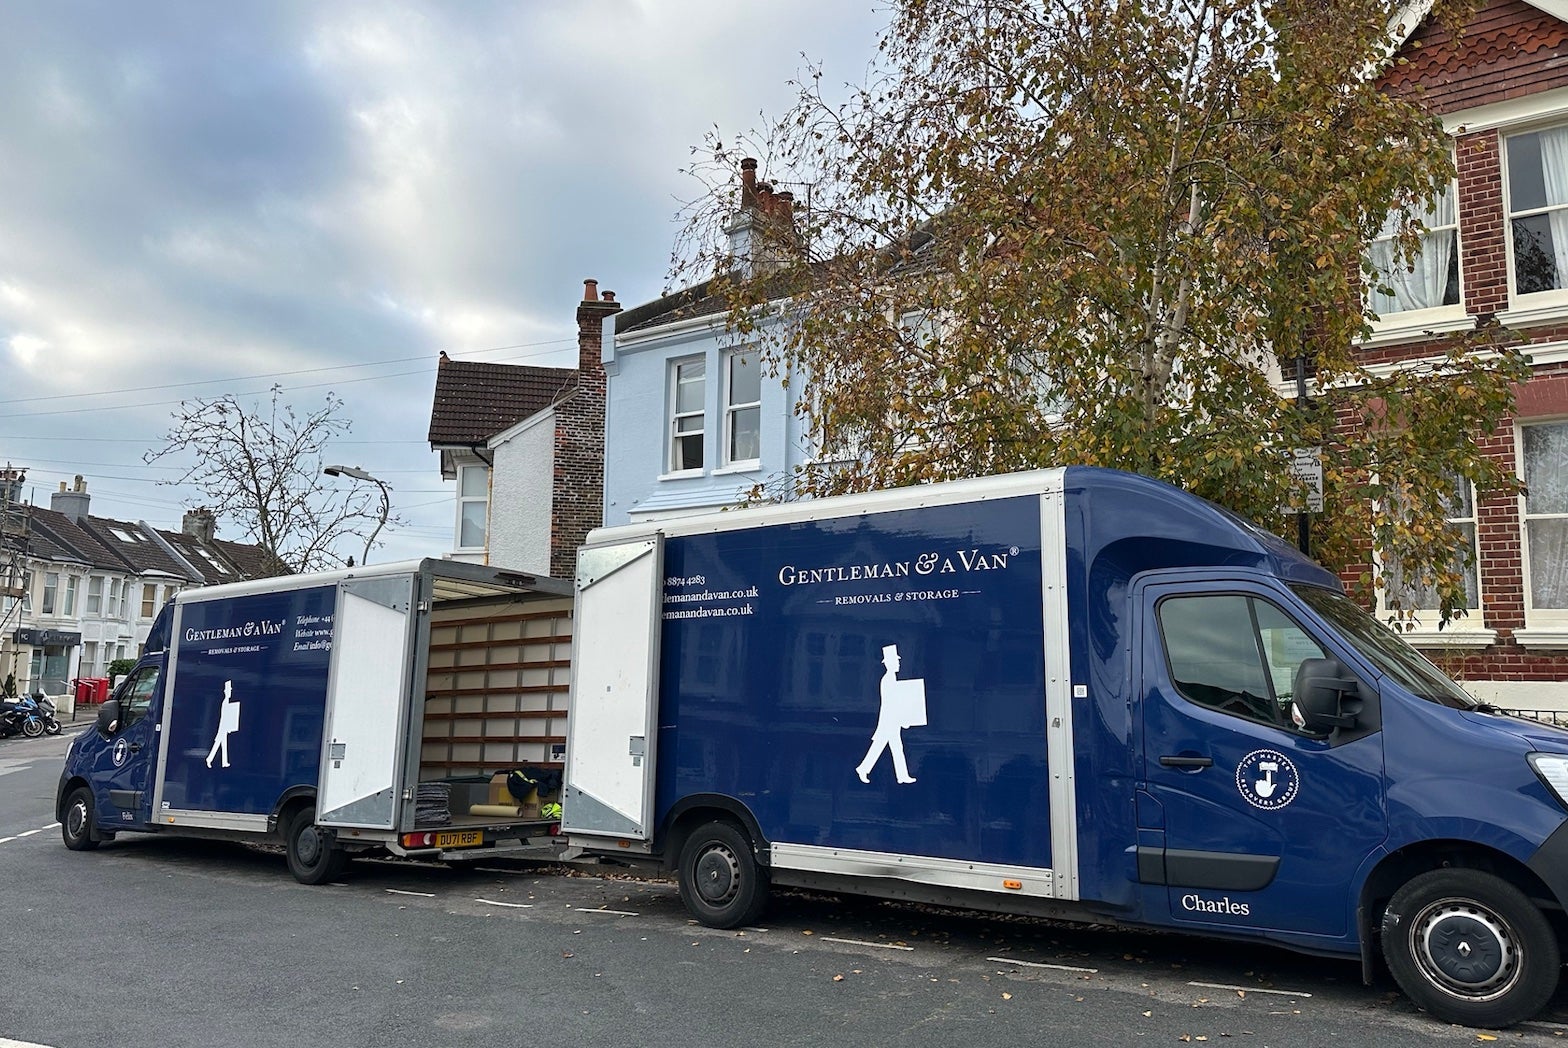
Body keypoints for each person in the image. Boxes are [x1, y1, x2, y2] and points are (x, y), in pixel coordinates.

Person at [855, 644, 924, 785]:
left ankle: (897, 774)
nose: (898, 664)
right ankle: (866, 769)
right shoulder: (888, 679)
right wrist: (903, 719)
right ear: (889, 664)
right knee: (889, 747)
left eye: (898, 661)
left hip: (890, 720)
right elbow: (890, 703)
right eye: (896, 661)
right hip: (889, 721)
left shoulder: (891, 678)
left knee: (891, 747)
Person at [205, 679, 241, 769]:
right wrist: (226, 727)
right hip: (223, 728)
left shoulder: (227, 701)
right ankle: (211, 759)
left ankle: (222, 761)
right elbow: (223, 717)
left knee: (221, 745)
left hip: (224, 728)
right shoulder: (225, 701)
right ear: (225, 691)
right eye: (229, 690)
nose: (230, 692)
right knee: (218, 745)